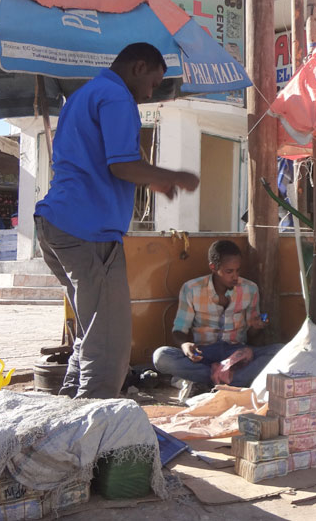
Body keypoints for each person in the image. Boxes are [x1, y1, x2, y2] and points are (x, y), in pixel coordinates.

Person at [34, 43, 200, 399]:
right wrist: (173, 175)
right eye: (153, 83)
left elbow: (101, 162)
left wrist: (154, 179)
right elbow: (121, 165)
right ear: (139, 67)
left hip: (56, 224)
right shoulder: (117, 96)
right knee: (110, 340)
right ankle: (93, 428)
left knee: (92, 328)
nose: (149, 93)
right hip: (87, 230)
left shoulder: (83, 95)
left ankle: (67, 406)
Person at [153, 240, 283, 401]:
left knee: (280, 352)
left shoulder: (250, 289)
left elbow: (252, 338)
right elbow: (180, 329)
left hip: (236, 355)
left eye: (237, 270)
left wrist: (256, 326)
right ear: (213, 268)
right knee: (161, 357)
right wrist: (185, 345)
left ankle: (210, 381)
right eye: (229, 271)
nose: (235, 276)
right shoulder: (192, 288)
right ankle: (230, 381)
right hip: (203, 354)